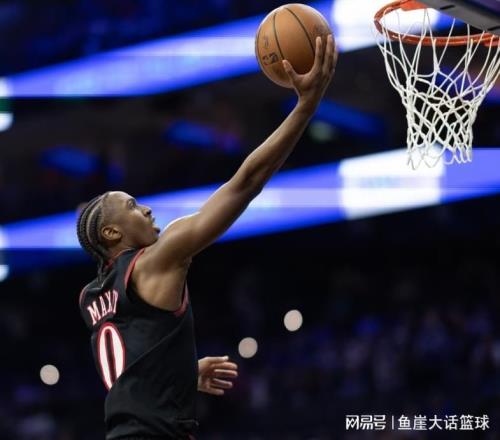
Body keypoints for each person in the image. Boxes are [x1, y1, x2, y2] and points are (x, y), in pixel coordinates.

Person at [77, 35, 336, 440]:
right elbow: (245, 182)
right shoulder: (157, 259)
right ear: (112, 232)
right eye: (132, 206)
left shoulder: (91, 297)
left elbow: (131, 362)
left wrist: (179, 371)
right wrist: (306, 106)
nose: (146, 210)